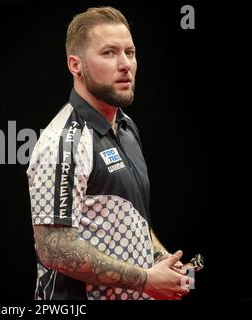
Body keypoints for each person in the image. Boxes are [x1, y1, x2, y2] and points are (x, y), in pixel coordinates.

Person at [26, 6, 194, 300]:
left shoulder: (127, 127)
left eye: (130, 52)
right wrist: (145, 280)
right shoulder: (63, 141)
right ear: (75, 65)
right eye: (109, 53)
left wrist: (162, 262)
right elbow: (53, 247)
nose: (125, 64)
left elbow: (130, 219)